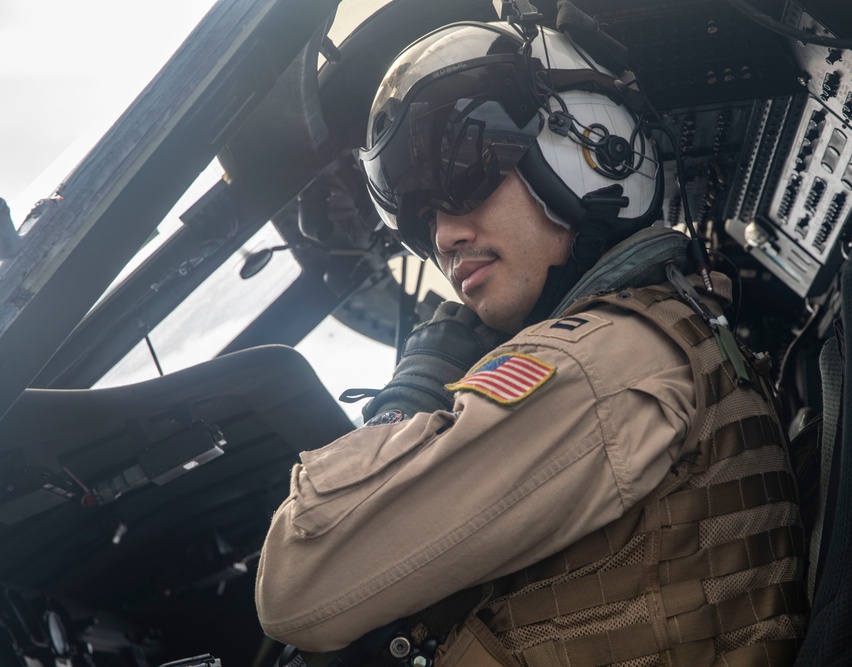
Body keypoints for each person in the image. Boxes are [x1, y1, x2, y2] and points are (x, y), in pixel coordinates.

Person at [256, 11, 807, 666]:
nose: (443, 236)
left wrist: (413, 388)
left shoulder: (598, 363)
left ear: (594, 150)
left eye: (463, 176)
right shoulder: (668, 332)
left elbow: (298, 585)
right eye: (422, 218)